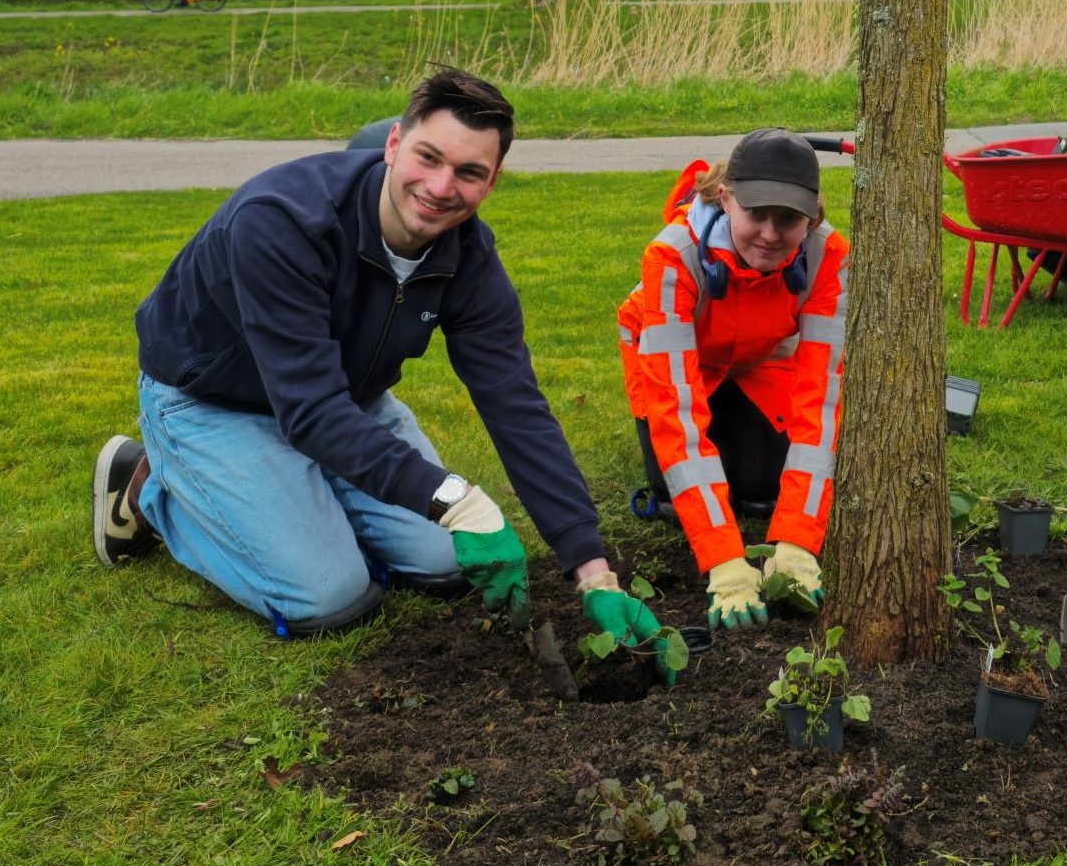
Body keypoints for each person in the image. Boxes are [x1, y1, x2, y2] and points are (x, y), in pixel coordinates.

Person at [92, 66, 663, 654]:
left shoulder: (467, 257)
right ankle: (151, 491)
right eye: (428, 158)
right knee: (329, 596)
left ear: (491, 183)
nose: (442, 187)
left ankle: (300, 499)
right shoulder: (281, 222)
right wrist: (456, 499)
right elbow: (309, 413)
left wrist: (592, 569)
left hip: (346, 402)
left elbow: (515, 404)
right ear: (393, 143)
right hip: (215, 401)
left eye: (469, 173)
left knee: (448, 564)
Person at [617, 128, 848, 632]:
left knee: (763, 490)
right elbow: (677, 409)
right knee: (673, 487)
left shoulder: (828, 257)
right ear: (726, 199)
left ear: (811, 215)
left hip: (759, 360)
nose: (769, 234)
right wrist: (722, 557)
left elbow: (824, 399)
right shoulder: (672, 257)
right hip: (676, 361)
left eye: (787, 219)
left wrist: (798, 539)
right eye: (756, 215)